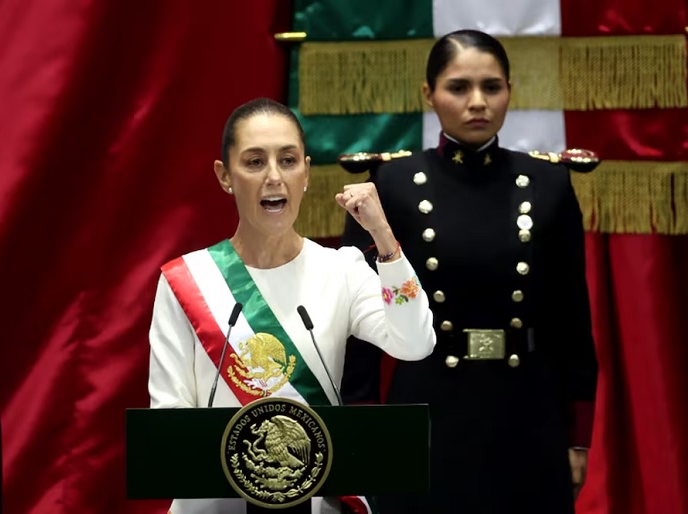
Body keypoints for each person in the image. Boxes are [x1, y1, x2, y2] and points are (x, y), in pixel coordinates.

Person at [340, 30, 598, 513]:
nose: (477, 102)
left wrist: (577, 437)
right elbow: (358, 330)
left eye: (491, 87)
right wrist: (362, 430)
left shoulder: (548, 183)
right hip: (426, 410)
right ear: (429, 94)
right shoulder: (391, 185)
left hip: (528, 411)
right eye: (458, 87)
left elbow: (571, 322)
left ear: (509, 91)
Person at [147, 98, 437, 514]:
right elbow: (169, 418)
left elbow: (416, 342)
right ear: (225, 176)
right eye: (254, 162)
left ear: (306, 173)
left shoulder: (341, 269)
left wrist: (384, 239)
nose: (273, 177)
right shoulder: (186, 280)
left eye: (287, 161)